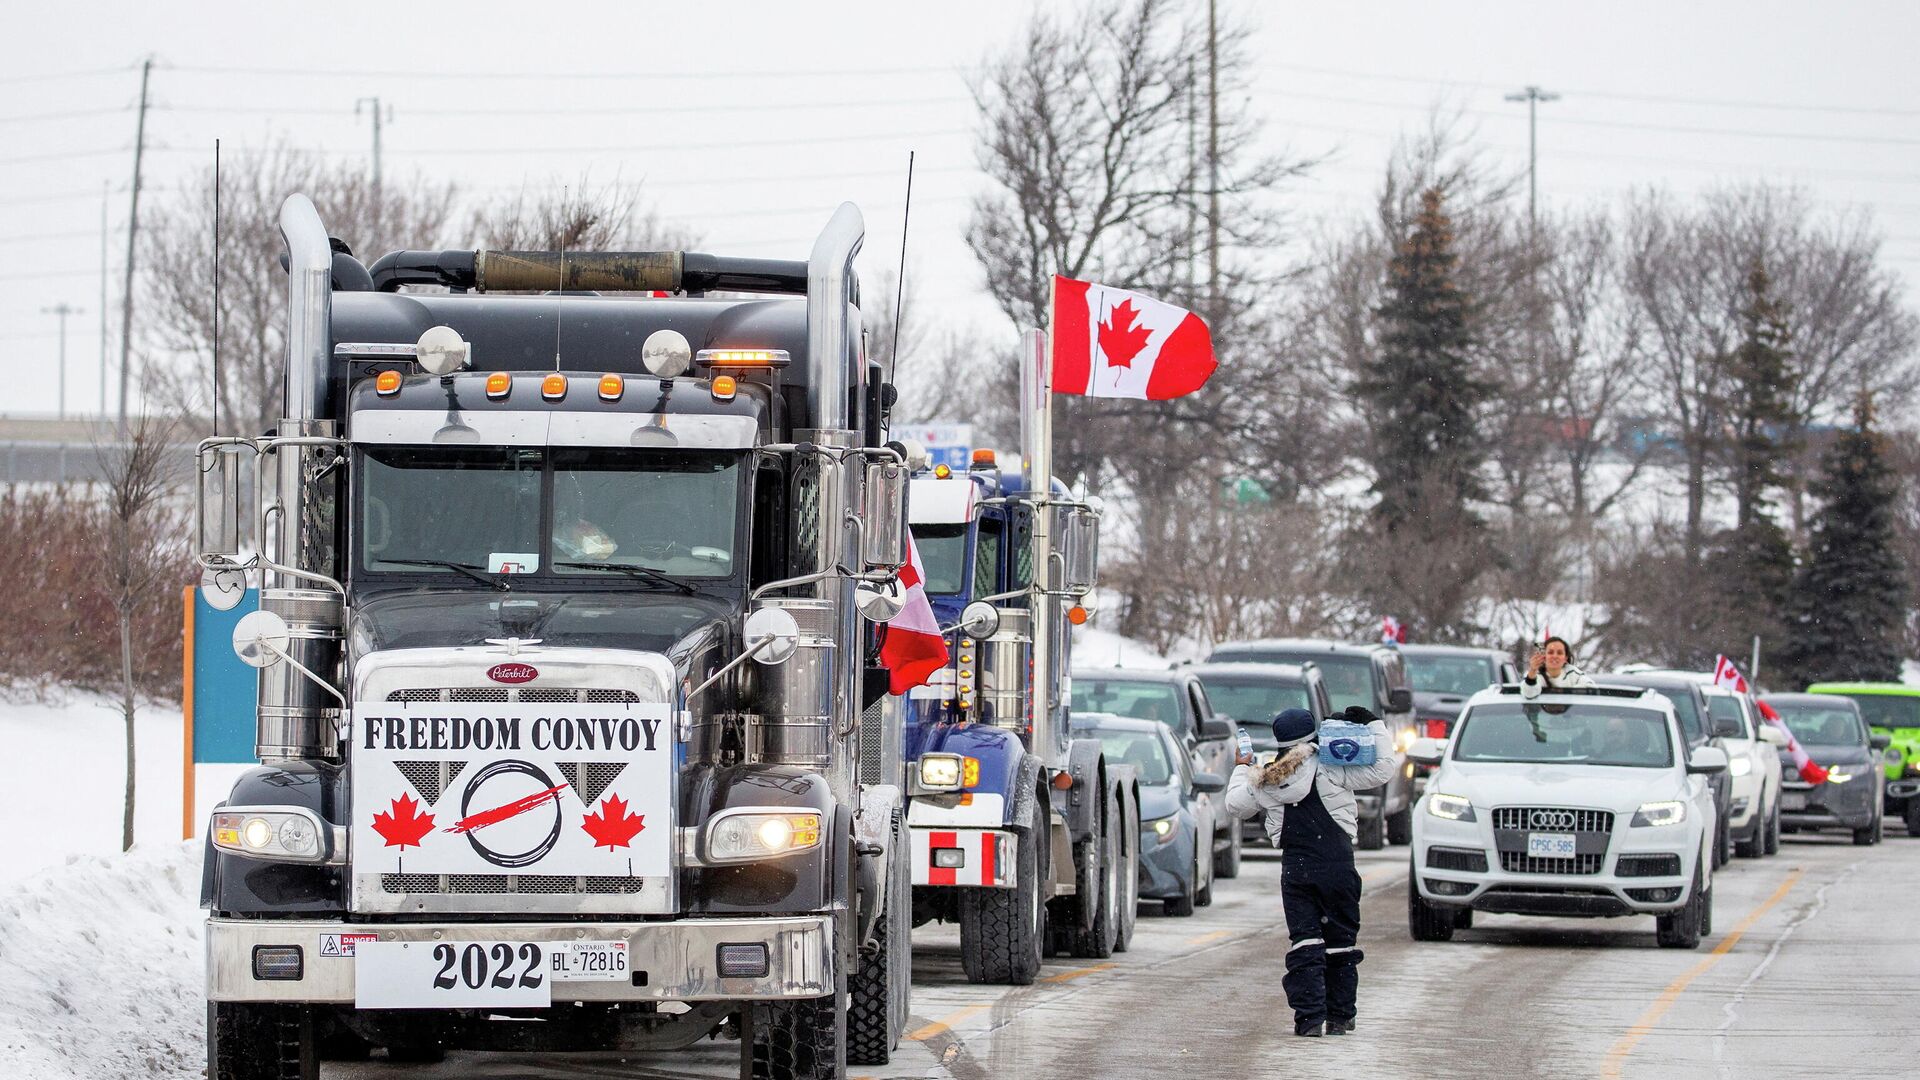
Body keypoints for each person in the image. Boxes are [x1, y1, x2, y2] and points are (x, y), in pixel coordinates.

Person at [1224, 705, 1396, 1037]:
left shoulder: (1266, 780)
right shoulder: (1332, 767)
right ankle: (1340, 1016)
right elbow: (1384, 767)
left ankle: (1309, 1018)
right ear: (1314, 735)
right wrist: (1374, 725)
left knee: (1305, 941)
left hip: (1296, 870)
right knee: (1341, 941)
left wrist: (1242, 766)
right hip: (1339, 866)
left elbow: (1234, 805)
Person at [1520, 636, 1594, 699]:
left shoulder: (1572, 673)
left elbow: (1591, 688)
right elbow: (1529, 694)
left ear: (1565, 658)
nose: (1555, 656)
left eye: (1559, 653)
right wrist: (1533, 670)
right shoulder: (1534, 675)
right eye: (1550, 652)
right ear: (1544, 656)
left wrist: (1567, 693)